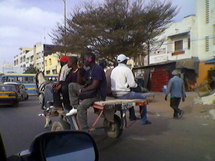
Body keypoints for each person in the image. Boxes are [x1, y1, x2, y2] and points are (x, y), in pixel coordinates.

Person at [68, 52, 107, 131]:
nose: (83, 61)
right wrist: (79, 70)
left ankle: (85, 130)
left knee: (81, 107)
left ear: (90, 59)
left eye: (84, 59)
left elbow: (94, 85)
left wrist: (83, 90)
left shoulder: (97, 69)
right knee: (71, 85)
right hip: (91, 92)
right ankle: (75, 107)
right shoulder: (89, 69)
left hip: (97, 95)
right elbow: (81, 82)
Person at [111, 54, 151, 125]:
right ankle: (144, 119)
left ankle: (132, 116)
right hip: (124, 94)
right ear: (125, 61)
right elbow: (132, 84)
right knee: (143, 98)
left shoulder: (114, 70)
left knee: (131, 96)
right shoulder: (127, 70)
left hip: (115, 94)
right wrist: (137, 86)